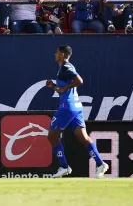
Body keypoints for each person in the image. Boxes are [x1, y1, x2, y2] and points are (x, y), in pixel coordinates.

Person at [45, 45, 109, 178]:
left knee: (52, 136)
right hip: (76, 107)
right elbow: (62, 89)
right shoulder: (64, 69)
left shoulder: (66, 67)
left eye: (56, 52)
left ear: (62, 54)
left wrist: (64, 88)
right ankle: (100, 163)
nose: (54, 54)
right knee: (83, 137)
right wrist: (54, 86)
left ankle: (64, 166)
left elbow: (79, 80)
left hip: (67, 107)